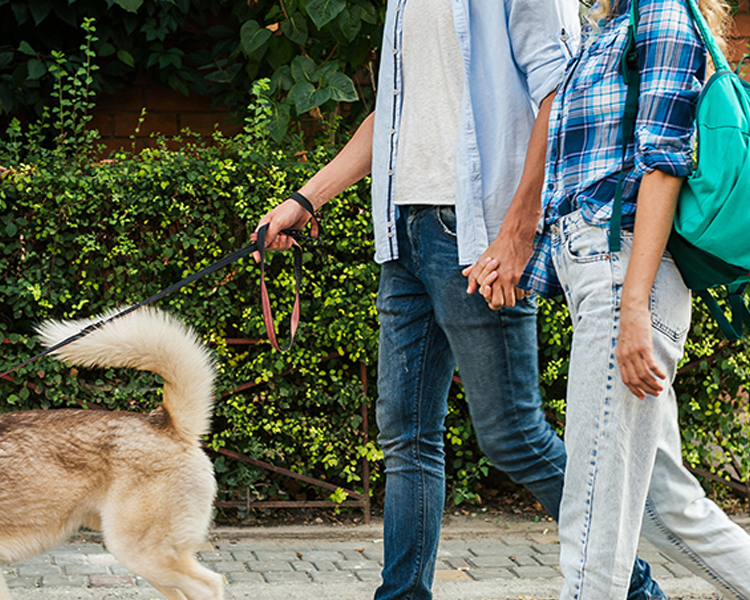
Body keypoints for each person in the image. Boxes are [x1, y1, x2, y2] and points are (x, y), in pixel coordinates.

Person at [252, 1, 666, 599]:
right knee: (405, 433)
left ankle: (634, 588)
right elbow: (395, 114)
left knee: (513, 436)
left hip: (474, 236)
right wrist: (305, 199)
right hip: (403, 234)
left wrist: (517, 234)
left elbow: (560, 96)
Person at [477, 0, 750, 597]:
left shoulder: (662, 15)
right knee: (666, 508)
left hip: (624, 277)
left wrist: (631, 309)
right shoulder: (610, 26)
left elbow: (664, 167)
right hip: (603, 276)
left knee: (595, 509)